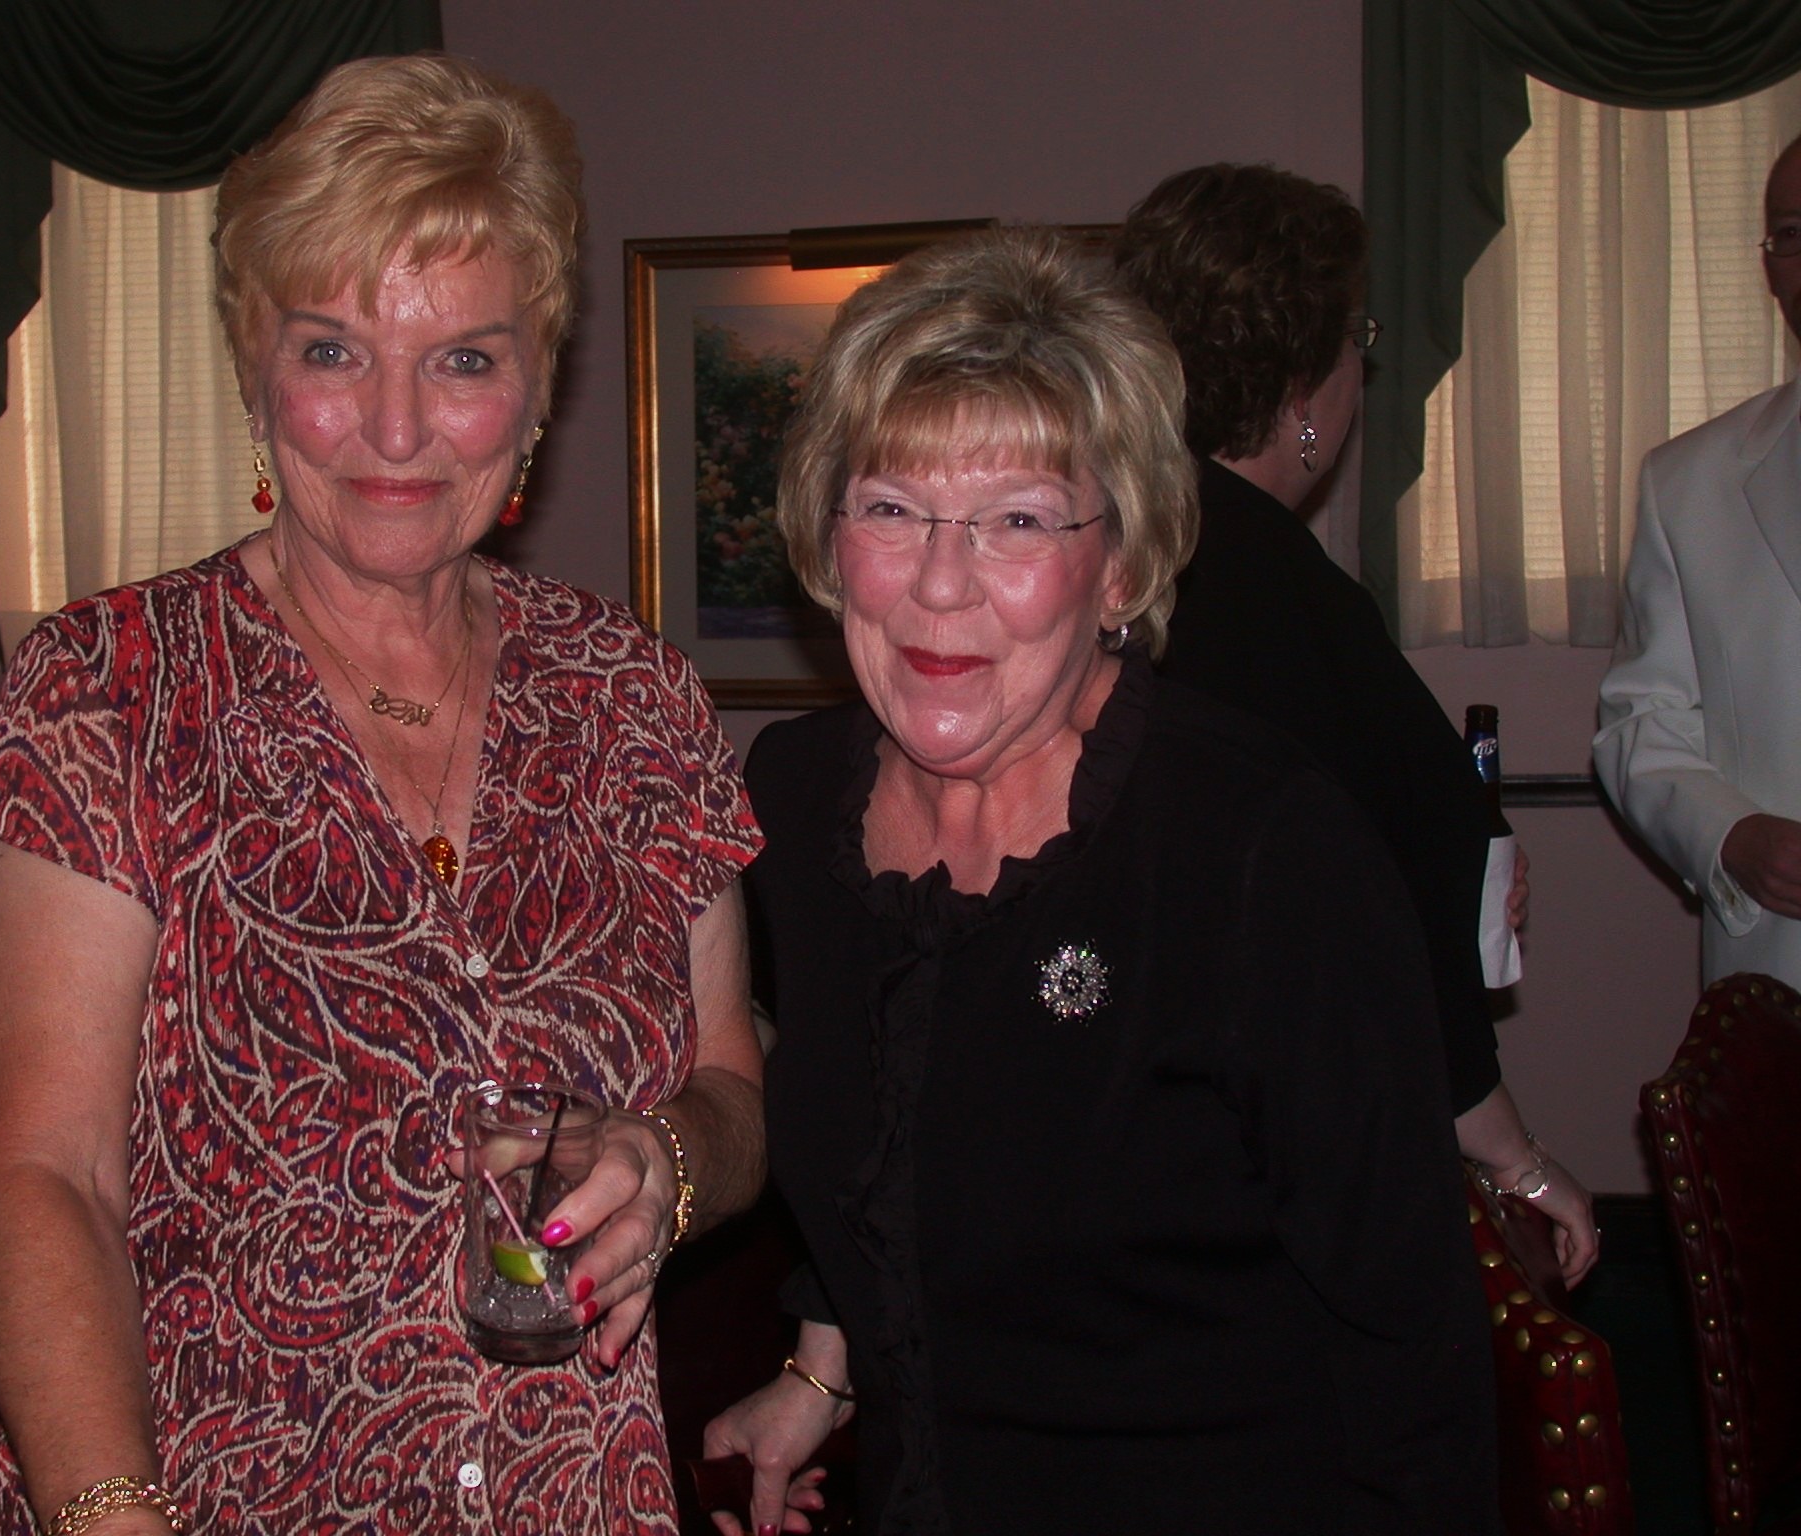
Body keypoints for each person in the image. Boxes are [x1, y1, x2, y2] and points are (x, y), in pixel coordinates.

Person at [0, 54, 764, 1536]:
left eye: (462, 361)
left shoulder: (633, 699)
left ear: (537, 384)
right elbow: (46, 1179)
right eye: (333, 352)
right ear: (254, 370)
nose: (394, 428)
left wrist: (669, 1160)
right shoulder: (109, 692)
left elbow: (733, 1081)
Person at [704, 228, 1493, 1536]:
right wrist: (818, 1370)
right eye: (890, 508)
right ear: (827, 536)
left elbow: (1413, 1354)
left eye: (1017, 520)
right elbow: (887, 1143)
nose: (940, 584)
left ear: (1120, 564)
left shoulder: (1256, 847)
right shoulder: (792, 800)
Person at [1112, 162, 1598, 1283]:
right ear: (1301, 388)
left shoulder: (1113, 545)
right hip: (1253, 1144)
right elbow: (1374, 903)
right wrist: (1515, 1156)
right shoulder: (1275, 590)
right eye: (1356, 341)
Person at [1595, 132, 1801, 991]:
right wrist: (1729, 836)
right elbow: (1641, 717)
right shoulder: (1690, 482)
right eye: (1789, 232)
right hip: (1781, 977)